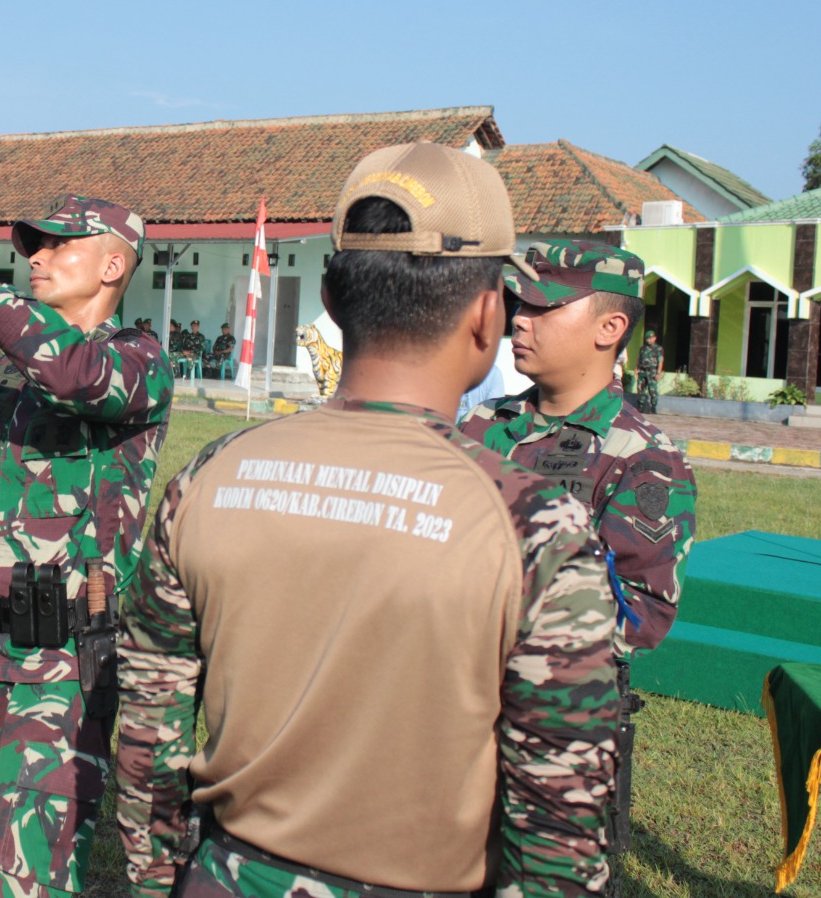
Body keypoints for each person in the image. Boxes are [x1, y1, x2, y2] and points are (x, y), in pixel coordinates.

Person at [117, 142, 619, 898]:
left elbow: (147, 734)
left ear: (329, 296)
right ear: (489, 313)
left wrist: (160, 882)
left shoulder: (209, 480)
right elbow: (560, 826)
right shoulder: (535, 525)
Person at [0, 195, 175, 897]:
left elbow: (74, 377)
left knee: (31, 875)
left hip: (67, 656)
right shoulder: (11, 368)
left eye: (58, 246)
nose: (37, 259)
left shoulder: (136, 361)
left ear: (114, 263)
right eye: (32, 249)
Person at [458, 240, 698, 895]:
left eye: (541, 306)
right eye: (515, 305)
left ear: (610, 328)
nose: (519, 321)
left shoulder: (642, 461)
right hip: (447, 717)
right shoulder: (481, 427)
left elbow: (638, 614)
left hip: (553, 736)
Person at [637, 330, 664, 414]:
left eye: (650, 338)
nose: (648, 340)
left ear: (655, 338)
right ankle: (640, 406)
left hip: (652, 371)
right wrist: (636, 369)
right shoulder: (643, 348)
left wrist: (658, 372)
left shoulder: (658, 349)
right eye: (647, 338)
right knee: (641, 388)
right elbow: (639, 359)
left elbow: (660, 361)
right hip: (642, 371)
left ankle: (653, 407)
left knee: (652, 389)